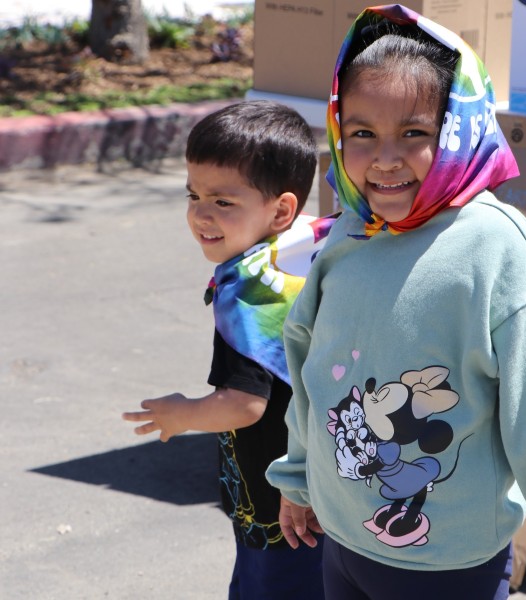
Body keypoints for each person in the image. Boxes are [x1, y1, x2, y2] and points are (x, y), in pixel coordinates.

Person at [265, 5, 526, 600]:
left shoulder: (494, 245)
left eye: (414, 133)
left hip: (452, 561)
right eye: (363, 133)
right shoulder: (351, 233)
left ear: (456, 129)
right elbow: (307, 367)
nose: (385, 158)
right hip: (344, 537)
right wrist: (297, 478)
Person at [122, 100, 335, 600]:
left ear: (281, 209)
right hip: (321, 489)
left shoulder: (250, 298)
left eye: (223, 201)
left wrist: (184, 415)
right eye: (194, 194)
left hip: (277, 509)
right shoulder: (305, 254)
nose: (200, 213)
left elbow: (244, 403)